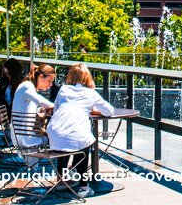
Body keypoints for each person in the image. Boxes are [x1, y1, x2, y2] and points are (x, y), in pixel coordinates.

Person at [46, 63, 114, 198]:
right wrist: (93, 110)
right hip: (77, 134)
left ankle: (61, 180)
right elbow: (109, 111)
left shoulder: (63, 89)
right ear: (87, 77)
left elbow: (56, 109)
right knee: (82, 141)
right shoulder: (90, 93)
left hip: (54, 132)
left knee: (67, 138)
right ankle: (84, 186)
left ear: (70, 76)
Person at [10, 64, 56, 152]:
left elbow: (25, 109)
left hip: (21, 135)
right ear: (41, 77)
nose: (51, 85)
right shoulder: (27, 86)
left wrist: (40, 109)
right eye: (49, 81)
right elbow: (40, 100)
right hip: (26, 138)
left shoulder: (27, 86)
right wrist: (55, 106)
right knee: (55, 139)